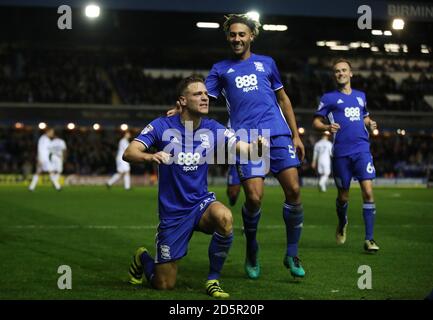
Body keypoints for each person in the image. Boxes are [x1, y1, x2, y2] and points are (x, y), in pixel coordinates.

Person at [123, 75, 266, 298]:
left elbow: (247, 150)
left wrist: (258, 146)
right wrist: (151, 157)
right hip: (173, 213)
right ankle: (143, 258)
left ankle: (213, 279)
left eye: (205, 94)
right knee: (164, 284)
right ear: (182, 101)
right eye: (197, 94)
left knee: (225, 217)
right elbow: (129, 153)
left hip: (200, 204)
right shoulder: (161, 125)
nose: (205, 97)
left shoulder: (213, 128)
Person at [190, 13, 306, 279]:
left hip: (277, 134)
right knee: (254, 198)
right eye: (232, 35)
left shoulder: (267, 63)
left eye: (242, 34)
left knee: (295, 190)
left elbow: (283, 99)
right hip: (245, 138)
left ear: (251, 36)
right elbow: (203, 98)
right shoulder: (220, 69)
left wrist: (295, 135)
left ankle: (292, 252)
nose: (237, 39)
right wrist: (184, 105)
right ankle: (252, 248)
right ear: (228, 37)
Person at [312, 58, 379, 252]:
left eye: (343, 70)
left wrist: (370, 123)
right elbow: (316, 121)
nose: (340, 73)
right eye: (337, 71)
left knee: (368, 191)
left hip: (362, 150)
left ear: (351, 73)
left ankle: (370, 239)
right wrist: (326, 126)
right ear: (334, 75)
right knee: (343, 196)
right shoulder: (328, 98)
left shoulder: (361, 96)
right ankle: (342, 222)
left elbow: (364, 116)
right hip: (341, 153)